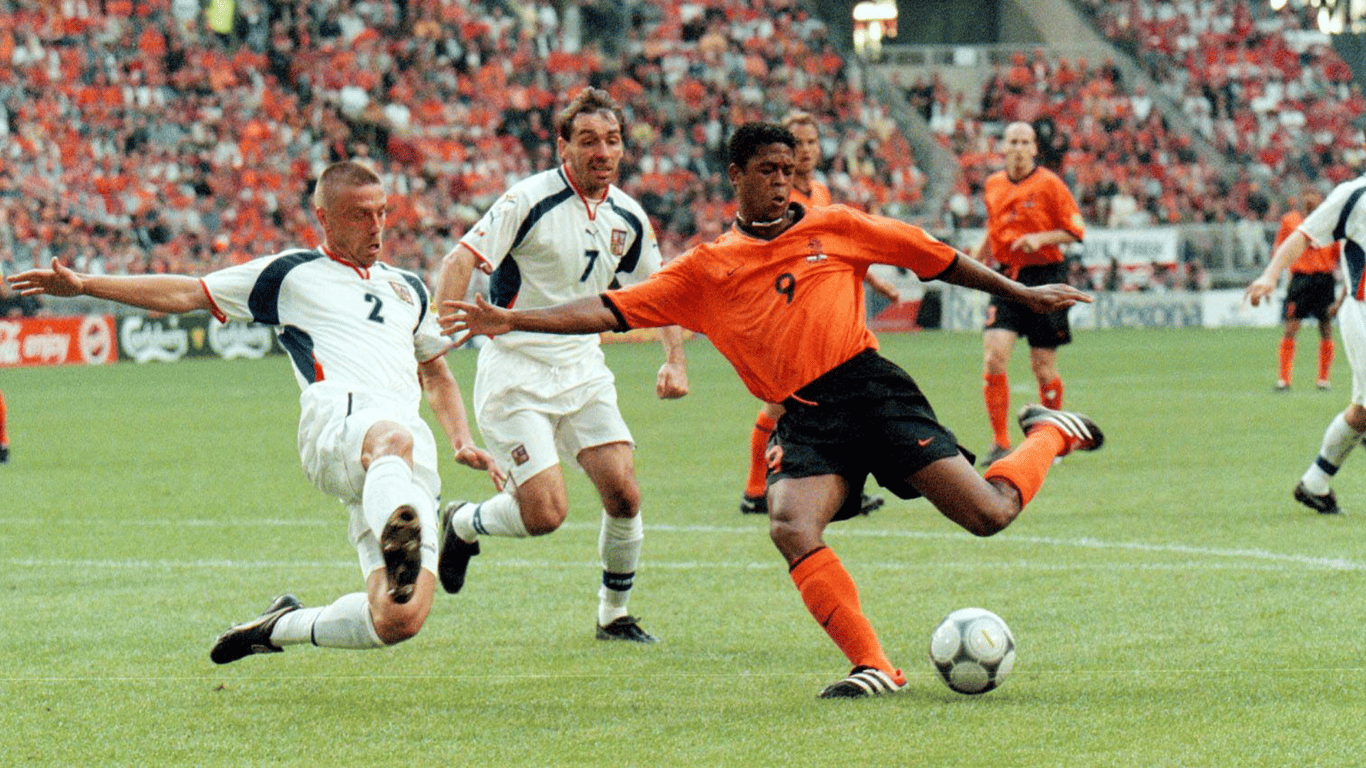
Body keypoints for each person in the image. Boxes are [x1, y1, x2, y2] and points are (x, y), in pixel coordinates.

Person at [443, 122, 1104, 698]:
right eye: (768, 171)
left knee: (989, 514)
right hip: (806, 416)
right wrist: (511, 317)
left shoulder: (837, 226)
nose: (782, 182)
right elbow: (610, 309)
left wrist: (1022, 291)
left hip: (872, 394)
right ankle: (874, 664)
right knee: (790, 525)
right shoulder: (707, 269)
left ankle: (1048, 434)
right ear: (736, 176)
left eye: (789, 170)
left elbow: (936, 258)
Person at [7, 160, 502, 662]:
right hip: (339, 425)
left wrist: (461, 439)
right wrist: (88, 284)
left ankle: (278, 625)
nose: (376, 227)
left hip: (401, 457)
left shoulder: (409, 289)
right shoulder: (291, 275)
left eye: (382, 213)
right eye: (360, 216)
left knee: (399, 618)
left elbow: (435, 372)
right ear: (324, 219)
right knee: (390, 439)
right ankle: (400, 532)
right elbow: (189, 291)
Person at [432, 87, 689, 643]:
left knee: (624, 493)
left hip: (582, 369)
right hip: (517, 374)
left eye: (613, 141)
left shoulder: (629, 216)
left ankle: (613, 616)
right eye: (589, 140)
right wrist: (437, 335)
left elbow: (662, 290)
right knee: (546, 515)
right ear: (563, 147)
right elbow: (461, 259)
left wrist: (674, 359)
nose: (603, 151)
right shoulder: (529, 201)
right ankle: (463, 522)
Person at [739, 110, 896, 517]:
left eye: (811, 142)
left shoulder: (821, 193)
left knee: (811, 402)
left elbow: (835, 248)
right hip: (788, 313)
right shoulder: (776, 195)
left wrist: (876, 283)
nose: (805, 150)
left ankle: (774, 489)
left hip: (820, 315)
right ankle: (759, 488)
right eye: (797, 143)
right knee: (787, 403)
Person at [1245, 171, 1366, 515]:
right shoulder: (1354, 195)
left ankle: (1315, 483)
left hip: (1348, 296)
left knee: (1361, 412)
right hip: (1363, 313)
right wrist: (1270, 276)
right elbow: (1303, 235)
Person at [971, 121, 1085, 465]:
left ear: (1035, 148)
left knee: (1043, 366)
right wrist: (972, 260)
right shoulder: (993, 184)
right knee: (994, 355)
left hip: (1045, 276)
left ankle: (1052, 436)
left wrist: (1041, 239)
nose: (1019, 147)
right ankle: (1000, 442)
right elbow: (994, 230)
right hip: (1007, 277)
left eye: (1025, 141)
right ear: (1003, 147)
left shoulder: (1050, 184)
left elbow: (1075, 230)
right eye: (1013, 141)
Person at [1271, 191, 1343, 391]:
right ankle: (1284, 380)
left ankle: (1323, 379)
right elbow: (1280, 247)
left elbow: (1337, 251)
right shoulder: (1290, 220)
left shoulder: (1330, 220)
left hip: (1324, 278)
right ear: (1303, 201)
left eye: (1314, 197)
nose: (1311, 200)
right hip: (1300, 279)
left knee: (1326, 326)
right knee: (1291, 327)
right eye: (1307, 196)